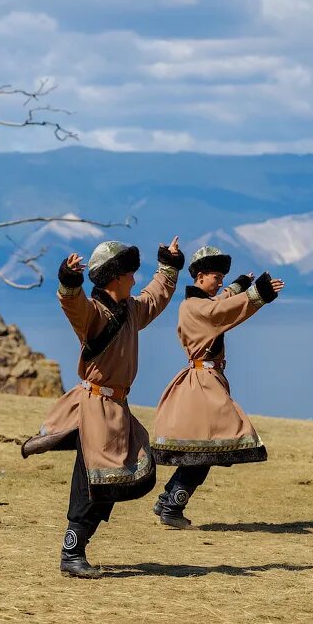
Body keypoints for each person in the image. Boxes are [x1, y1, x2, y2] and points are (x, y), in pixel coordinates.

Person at [20, 237, 184, 578]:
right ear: (115, 277)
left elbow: (154, 297)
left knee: (112, 480)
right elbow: (73, 305)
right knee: (91, 480)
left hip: (117, 410)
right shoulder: (94, 314)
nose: (135, 280)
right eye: (130, 274)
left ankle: (76, 548)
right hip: (94, 407)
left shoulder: (131, 310)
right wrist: (69, 279)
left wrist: (168, 266)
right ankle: (71, 553)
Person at [151, 246, 284, 528]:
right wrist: (259, 292)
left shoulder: (196, 304)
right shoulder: (198, 308)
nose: (220, 282)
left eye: (223, 277)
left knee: (202, 449)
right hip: (202, 386)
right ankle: (172, 507)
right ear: (200, 276)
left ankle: (167, 501)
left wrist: (240, 284)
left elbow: (221, 301)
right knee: (207, 450)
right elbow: (223, 309)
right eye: (217, 276)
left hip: (204, 382)